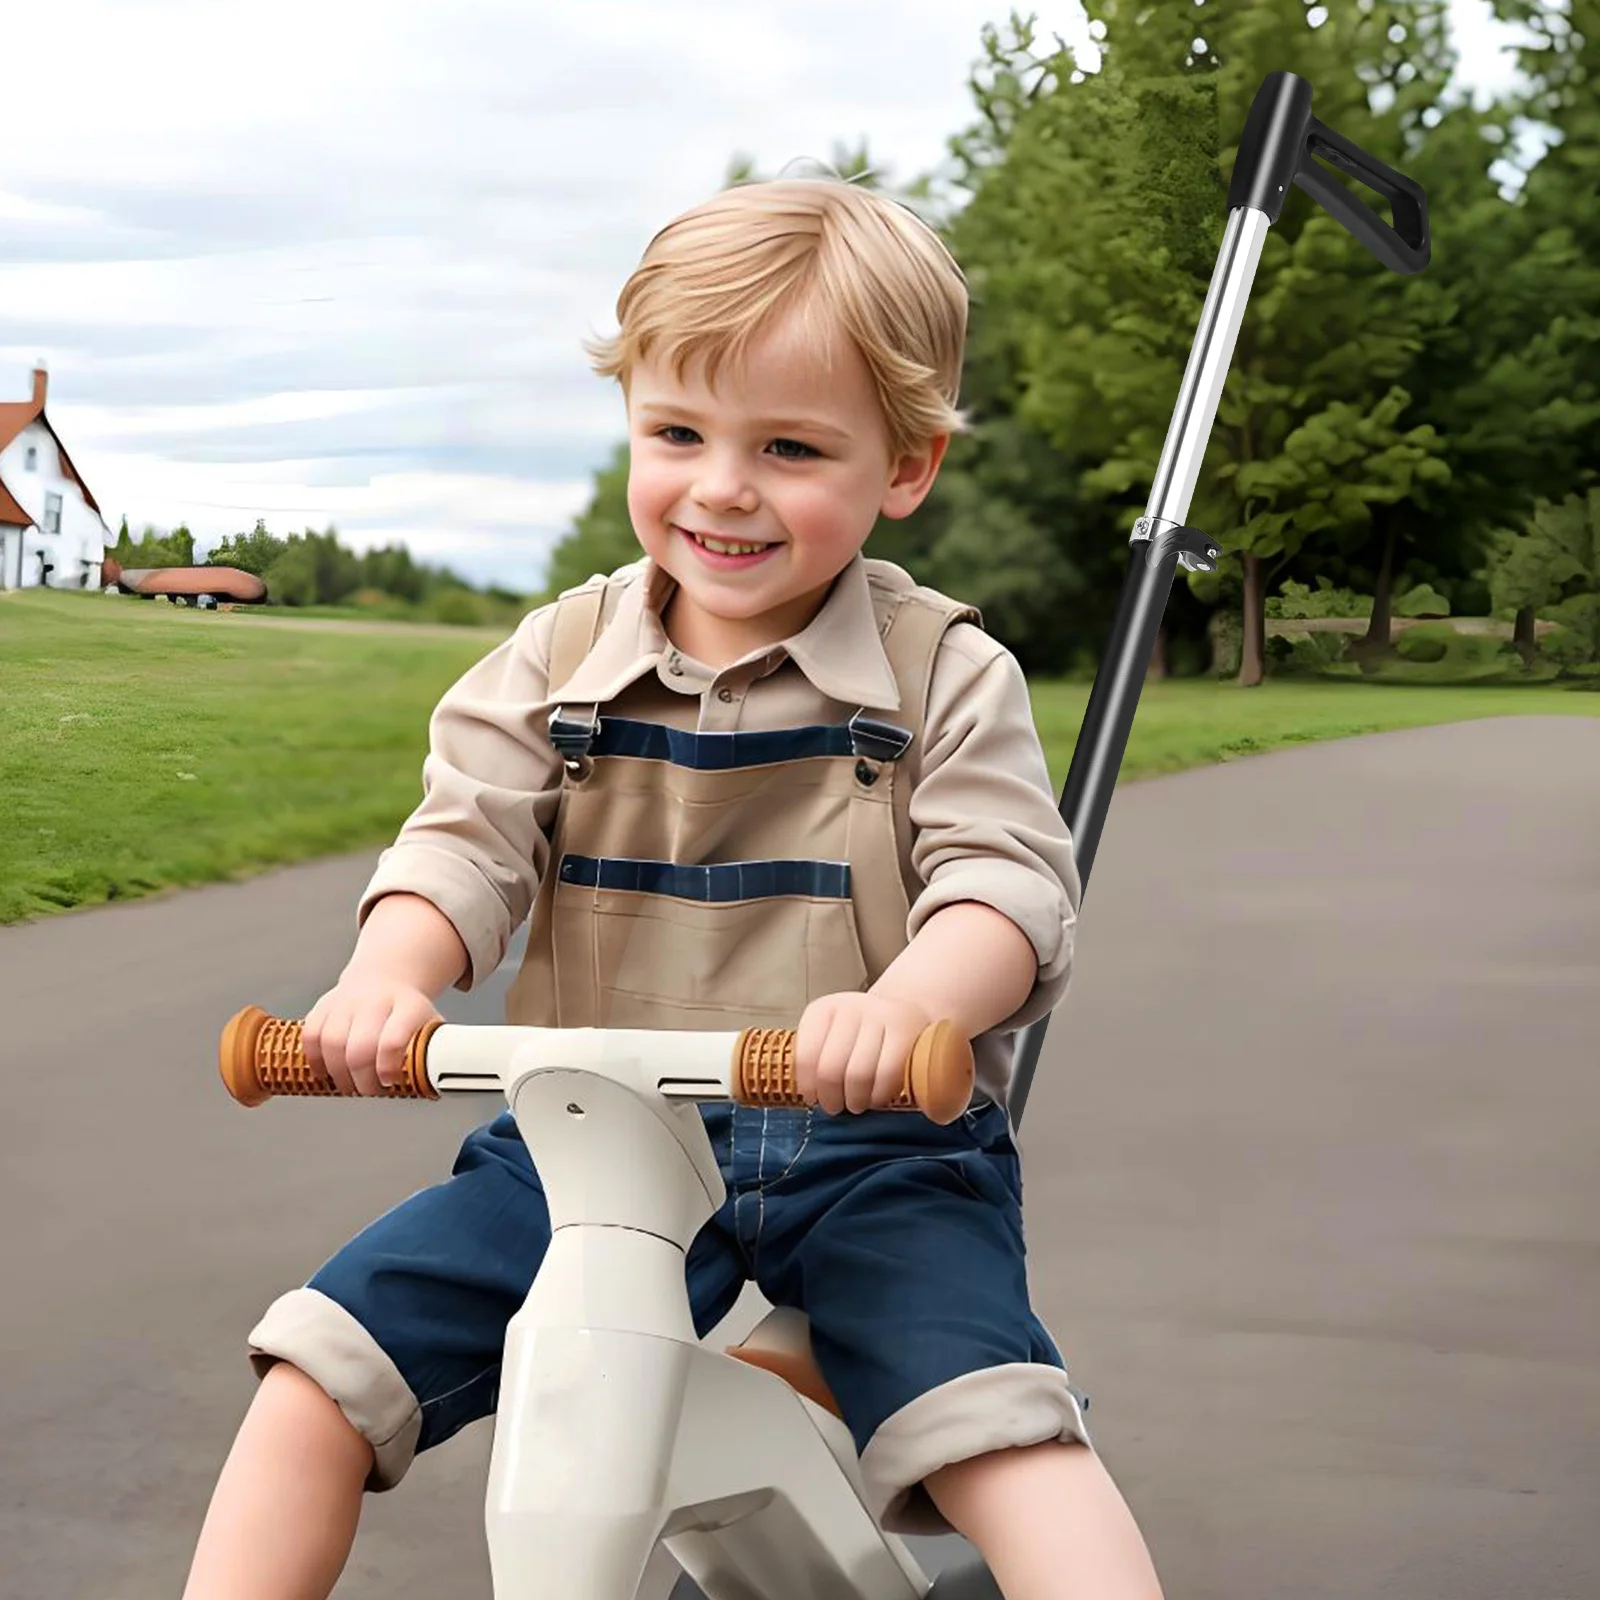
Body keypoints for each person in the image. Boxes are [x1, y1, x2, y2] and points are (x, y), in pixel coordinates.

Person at [183, 175, 1164, 1600]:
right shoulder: (559, 658)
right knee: (318, 1375)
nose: (722, 486)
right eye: (679, 433)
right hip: (594, 1144)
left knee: (996, 1428)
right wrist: (390, 974)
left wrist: (911, 1004)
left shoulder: (944, 672)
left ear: (906, 467)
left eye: (790, 446)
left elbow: (1000, 891)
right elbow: (463, 841)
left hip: (872, 1149)